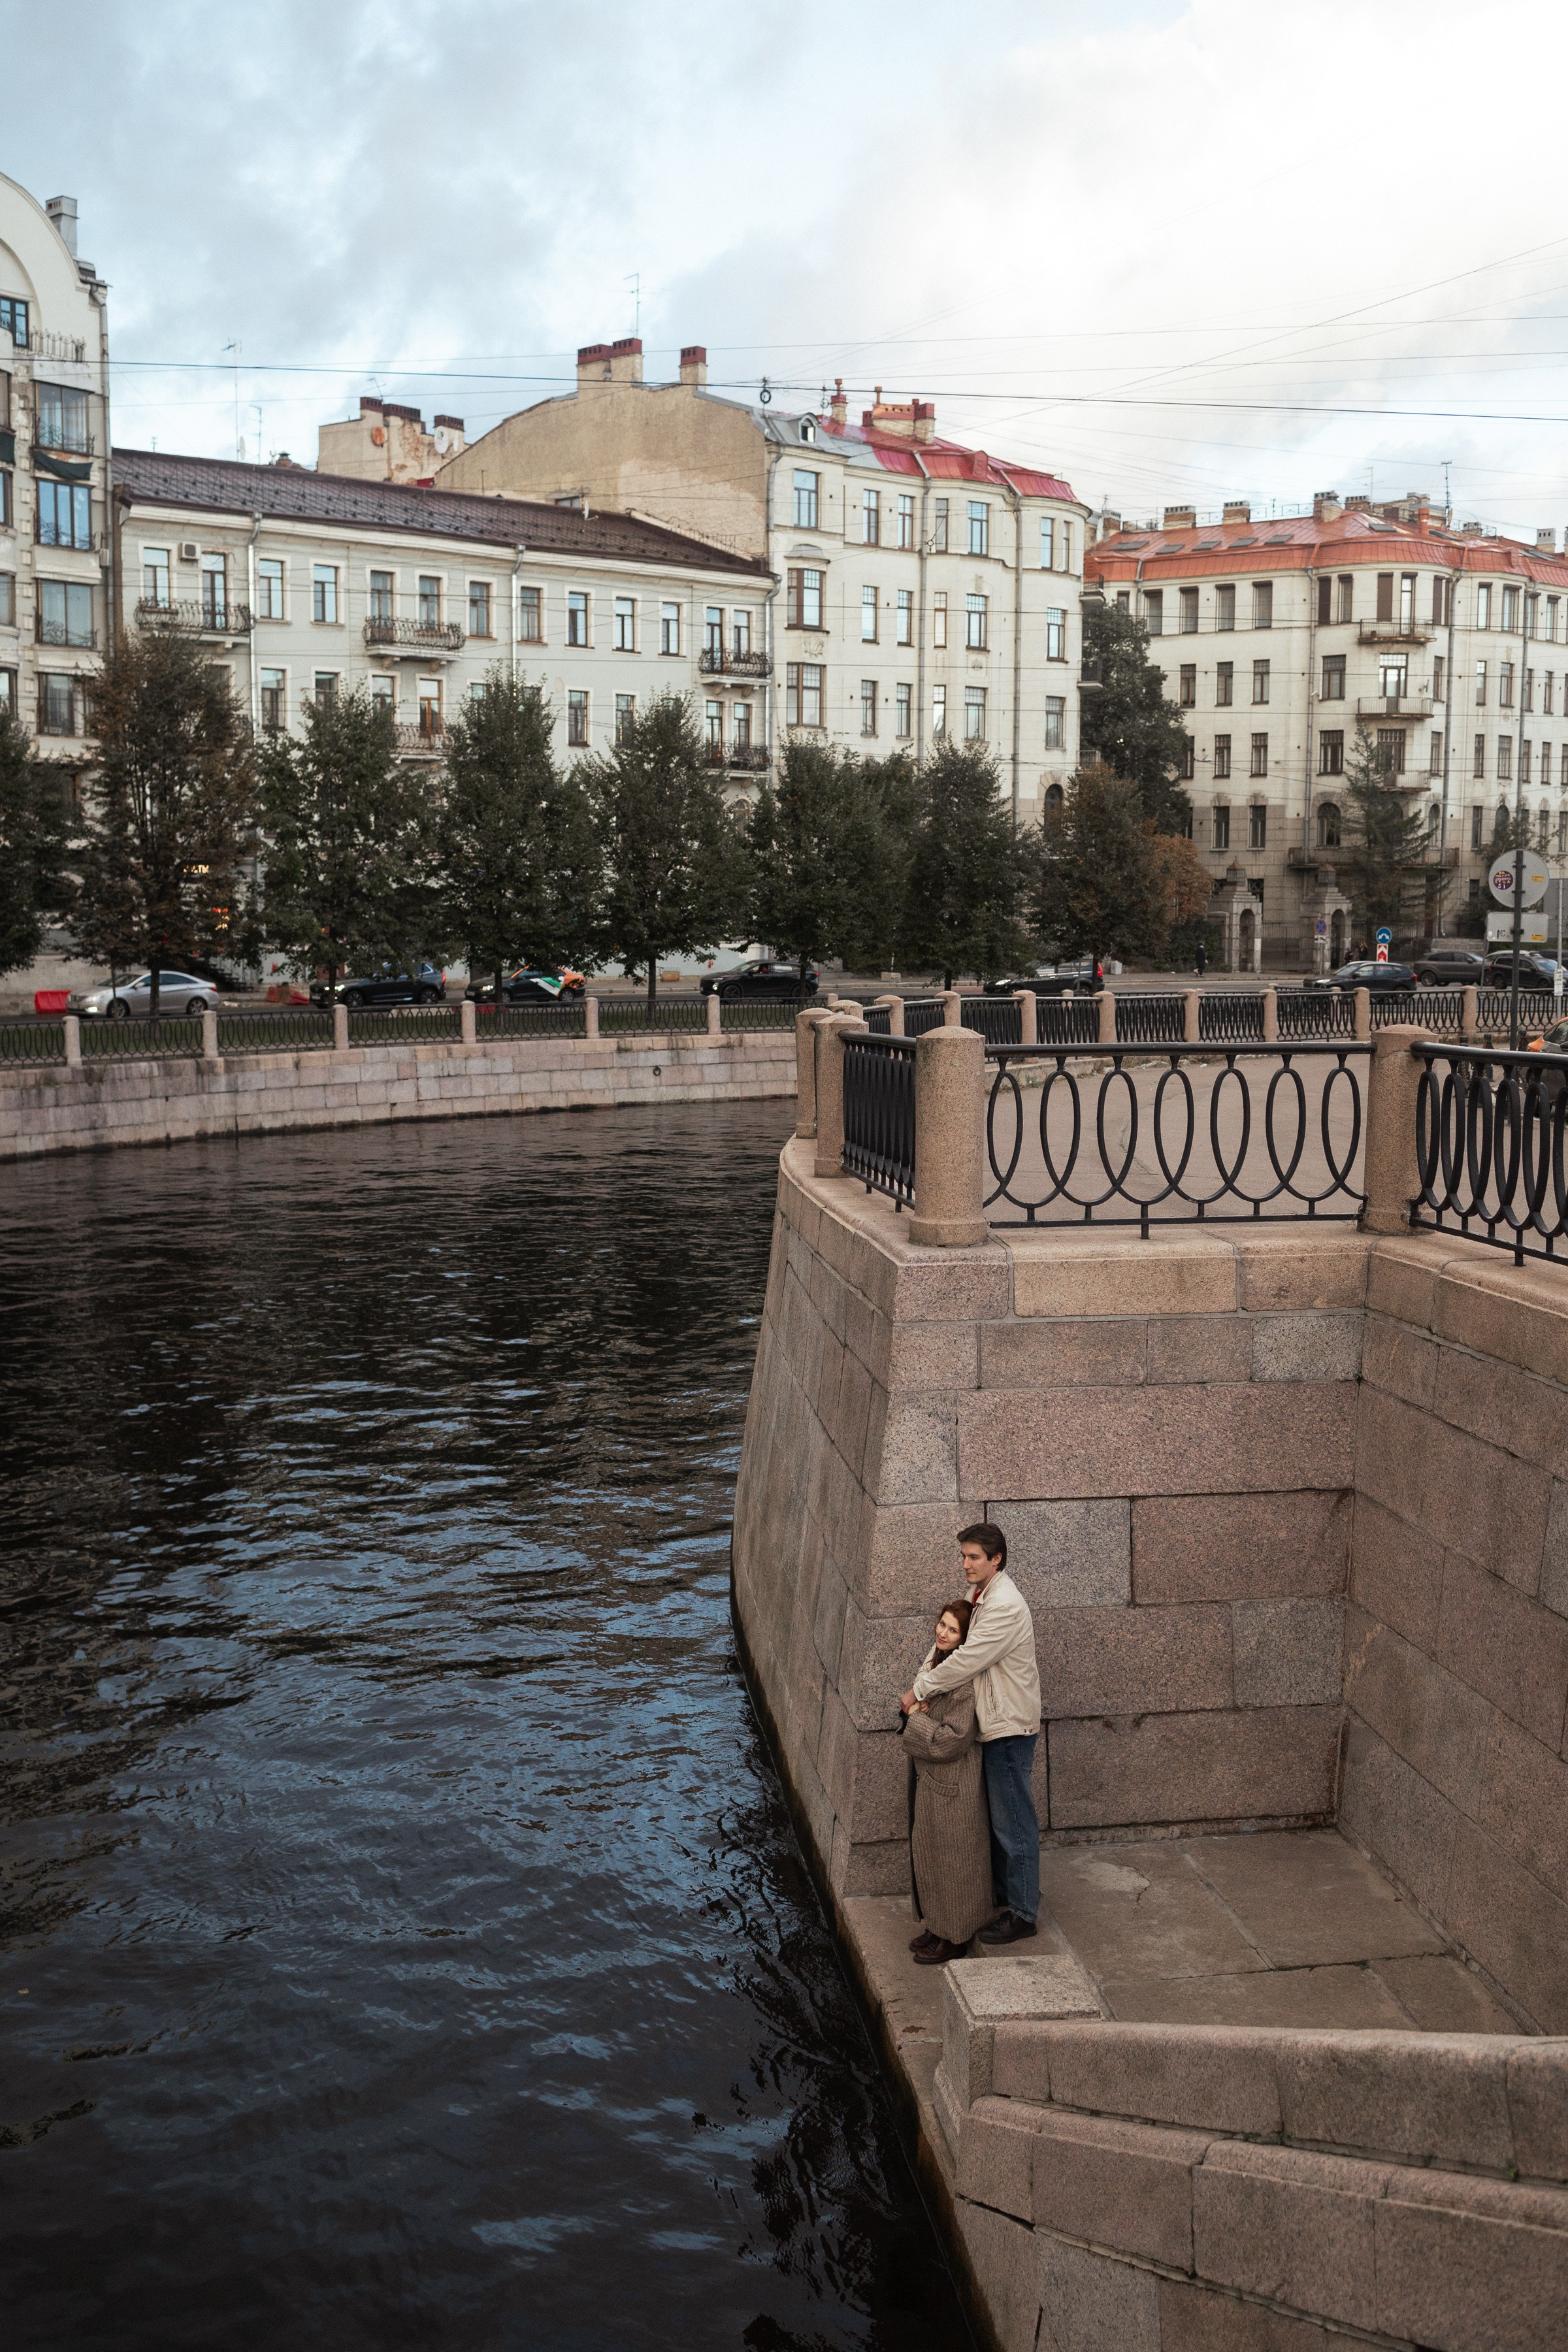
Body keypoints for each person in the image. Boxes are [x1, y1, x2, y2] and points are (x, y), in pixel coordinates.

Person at [900, 1522, 1041, 1946]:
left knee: (1013, 1824)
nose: (965, 1564)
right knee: (999, 1823)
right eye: (963, 1556)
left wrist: (920, 1691)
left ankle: (1023, 1913)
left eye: (974, 1557)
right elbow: (946, 1646)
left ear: (996, 1559)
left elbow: (969, 1659)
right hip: (993, 1724)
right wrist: (923, 1677)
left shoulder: (1005, 1606)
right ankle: (1007, 1898)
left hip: (1009, 1727)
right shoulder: (977, 1596)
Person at [900, 1601, 994, 1967]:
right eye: (942, 1625)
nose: (943, 1633)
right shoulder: (938, 1667)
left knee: (956, 1862)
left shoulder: (964, 1684)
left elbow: (953, 1741)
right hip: (933, 1781)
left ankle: (954, 1937)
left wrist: (914, 1717)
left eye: (953, 1630)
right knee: (931, 1856)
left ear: (965, 1639)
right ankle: (938, 1927)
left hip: (954, 1785)